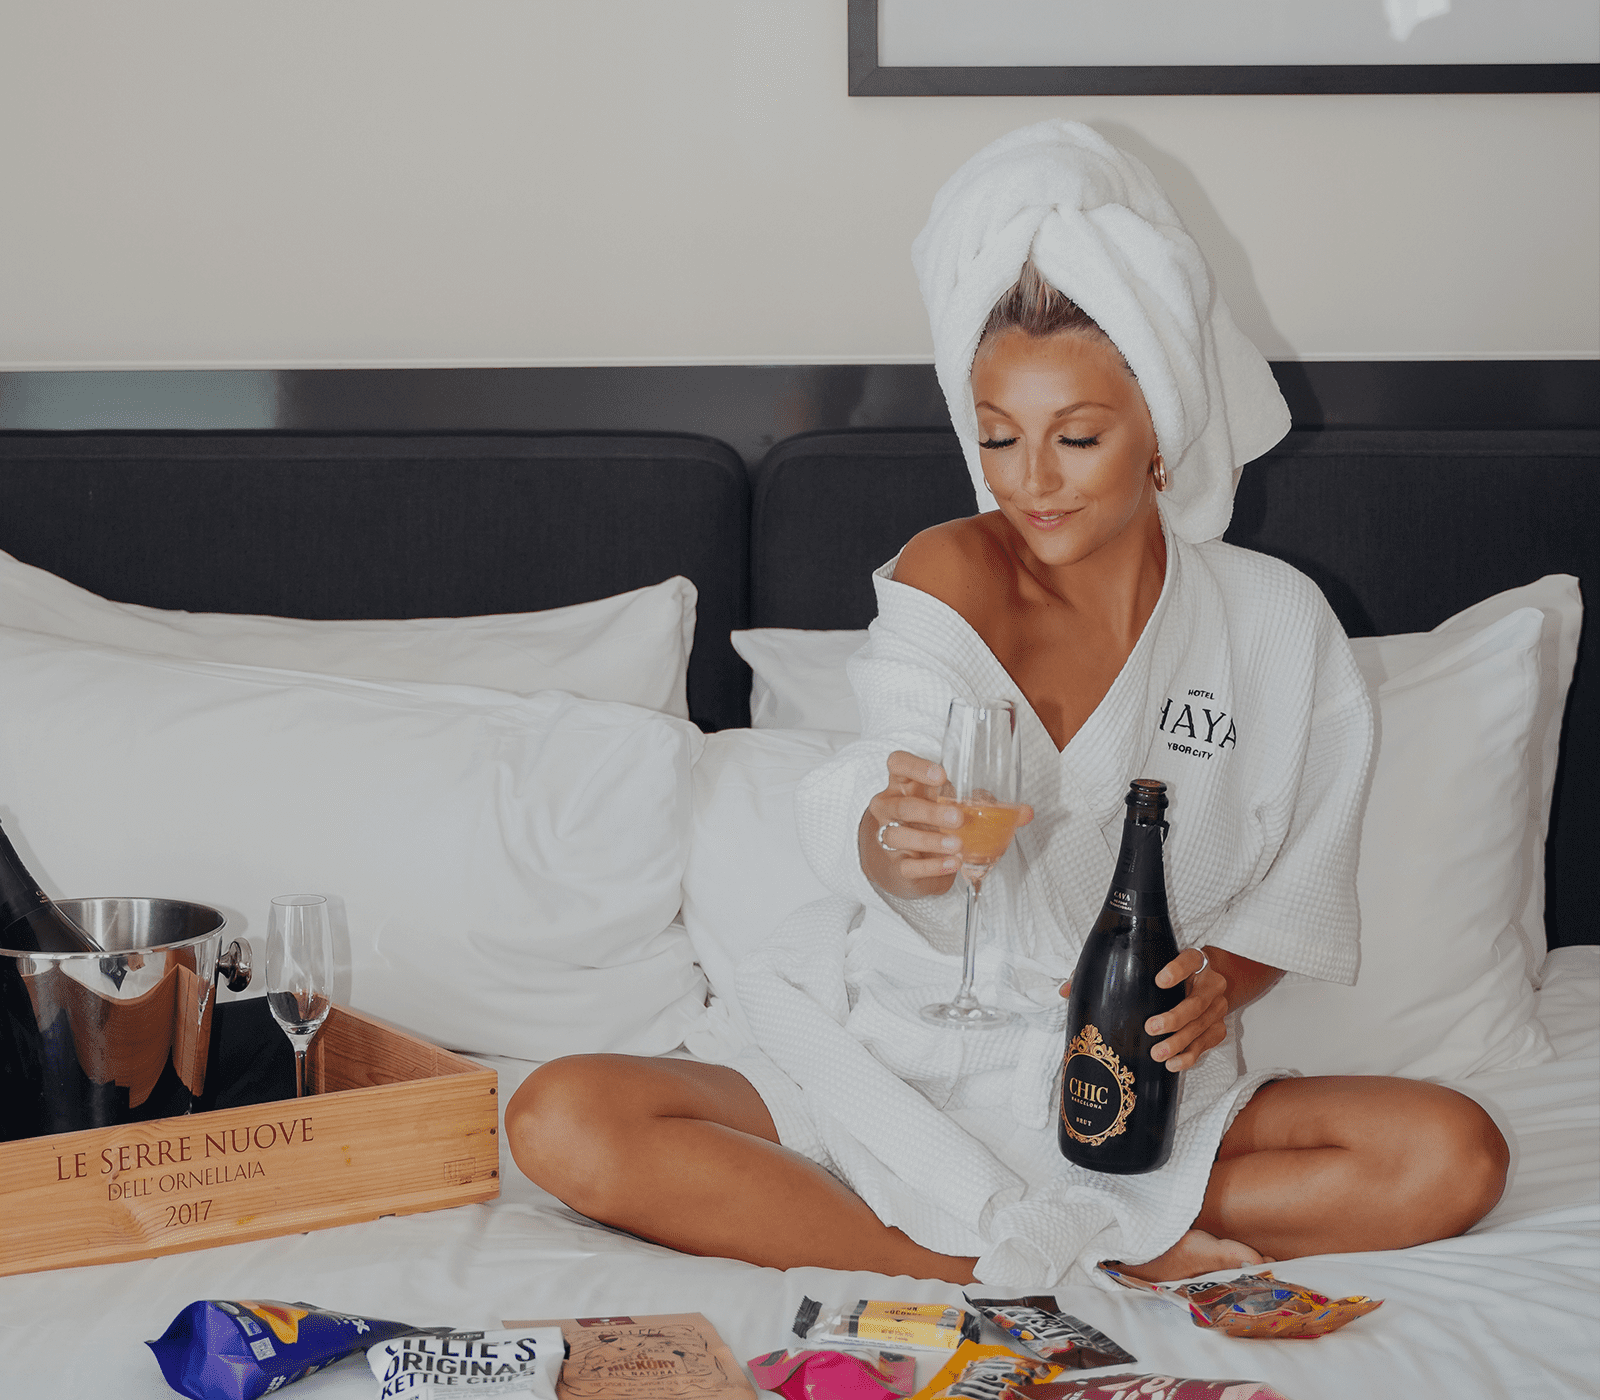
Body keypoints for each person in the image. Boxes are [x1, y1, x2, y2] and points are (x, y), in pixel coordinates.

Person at [505, 121, 1508, 1288]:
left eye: (1076, 438)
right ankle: (1006, 1254)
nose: (1028, 480)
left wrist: (1222, 983)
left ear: (1161, 431)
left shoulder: (1273, 621)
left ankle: (1034, 1220)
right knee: (561, 1114)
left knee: (1451, 1153)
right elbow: (896, 767)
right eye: (997, 437)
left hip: (1125, 1089)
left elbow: (1295, 879)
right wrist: (897, 840)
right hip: (906, 1052)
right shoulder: (953, 570)